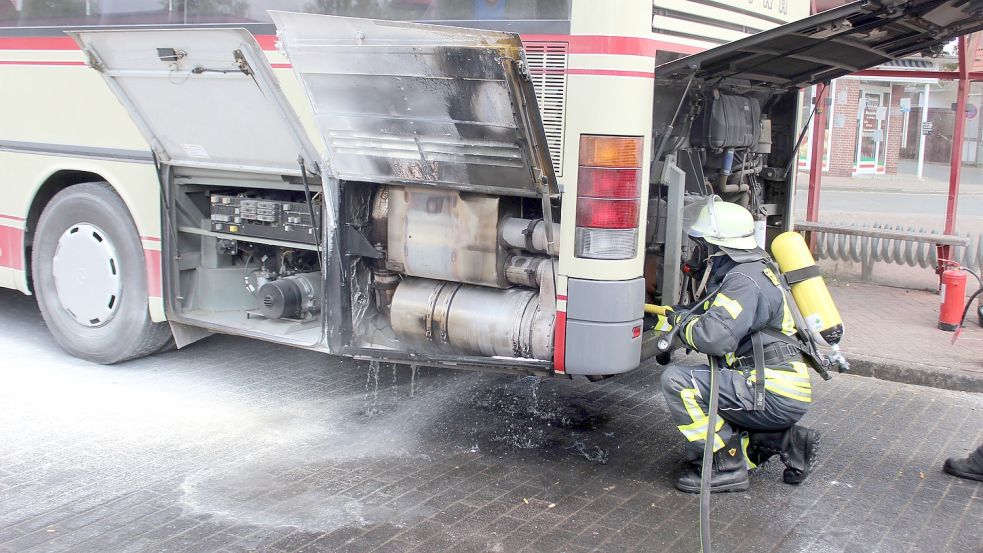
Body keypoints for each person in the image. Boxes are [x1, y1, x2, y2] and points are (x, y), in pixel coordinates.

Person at [659, 198, 820, 493]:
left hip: (769, 392)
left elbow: (714, 338)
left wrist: (682, 325)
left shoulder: (742, 280)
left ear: (717, 247)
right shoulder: (756, 270)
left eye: (702, 245)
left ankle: (726, 466)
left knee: (679, 383)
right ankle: (787, 442)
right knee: (712, 393)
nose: (699, 252)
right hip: (779, 388)